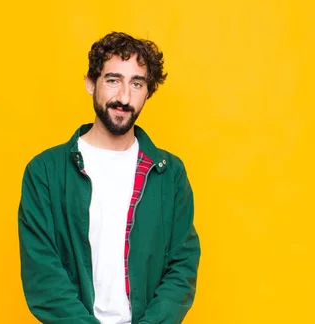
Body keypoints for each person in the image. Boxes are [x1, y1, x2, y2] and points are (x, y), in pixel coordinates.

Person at [17, 31, 201, 324]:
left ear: (148, 92)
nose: (124, 97)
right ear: (91, 83)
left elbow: (182, 266)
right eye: (113, 80)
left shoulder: (170, 173)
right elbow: (43, 276)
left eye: (136, 84)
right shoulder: (45, 172)